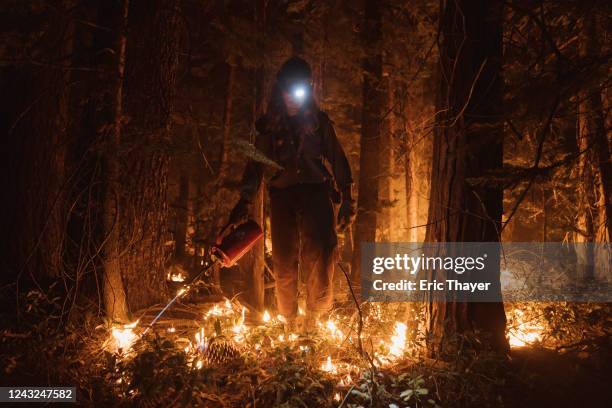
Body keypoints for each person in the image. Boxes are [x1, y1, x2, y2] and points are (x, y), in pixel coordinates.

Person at [225, 56, 355, 331]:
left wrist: (347, 198)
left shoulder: (319, 123)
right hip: (282, 195)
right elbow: (255, 165)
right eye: (288, 90)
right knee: (284, 259)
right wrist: (244, 200)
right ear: (280, 90)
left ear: (307, 91)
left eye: (299, 90)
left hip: (316, 192)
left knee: (320, 253)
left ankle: (315, 318)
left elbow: (338, 159)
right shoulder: (268, 127)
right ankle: (288, 320)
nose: (293, 97)